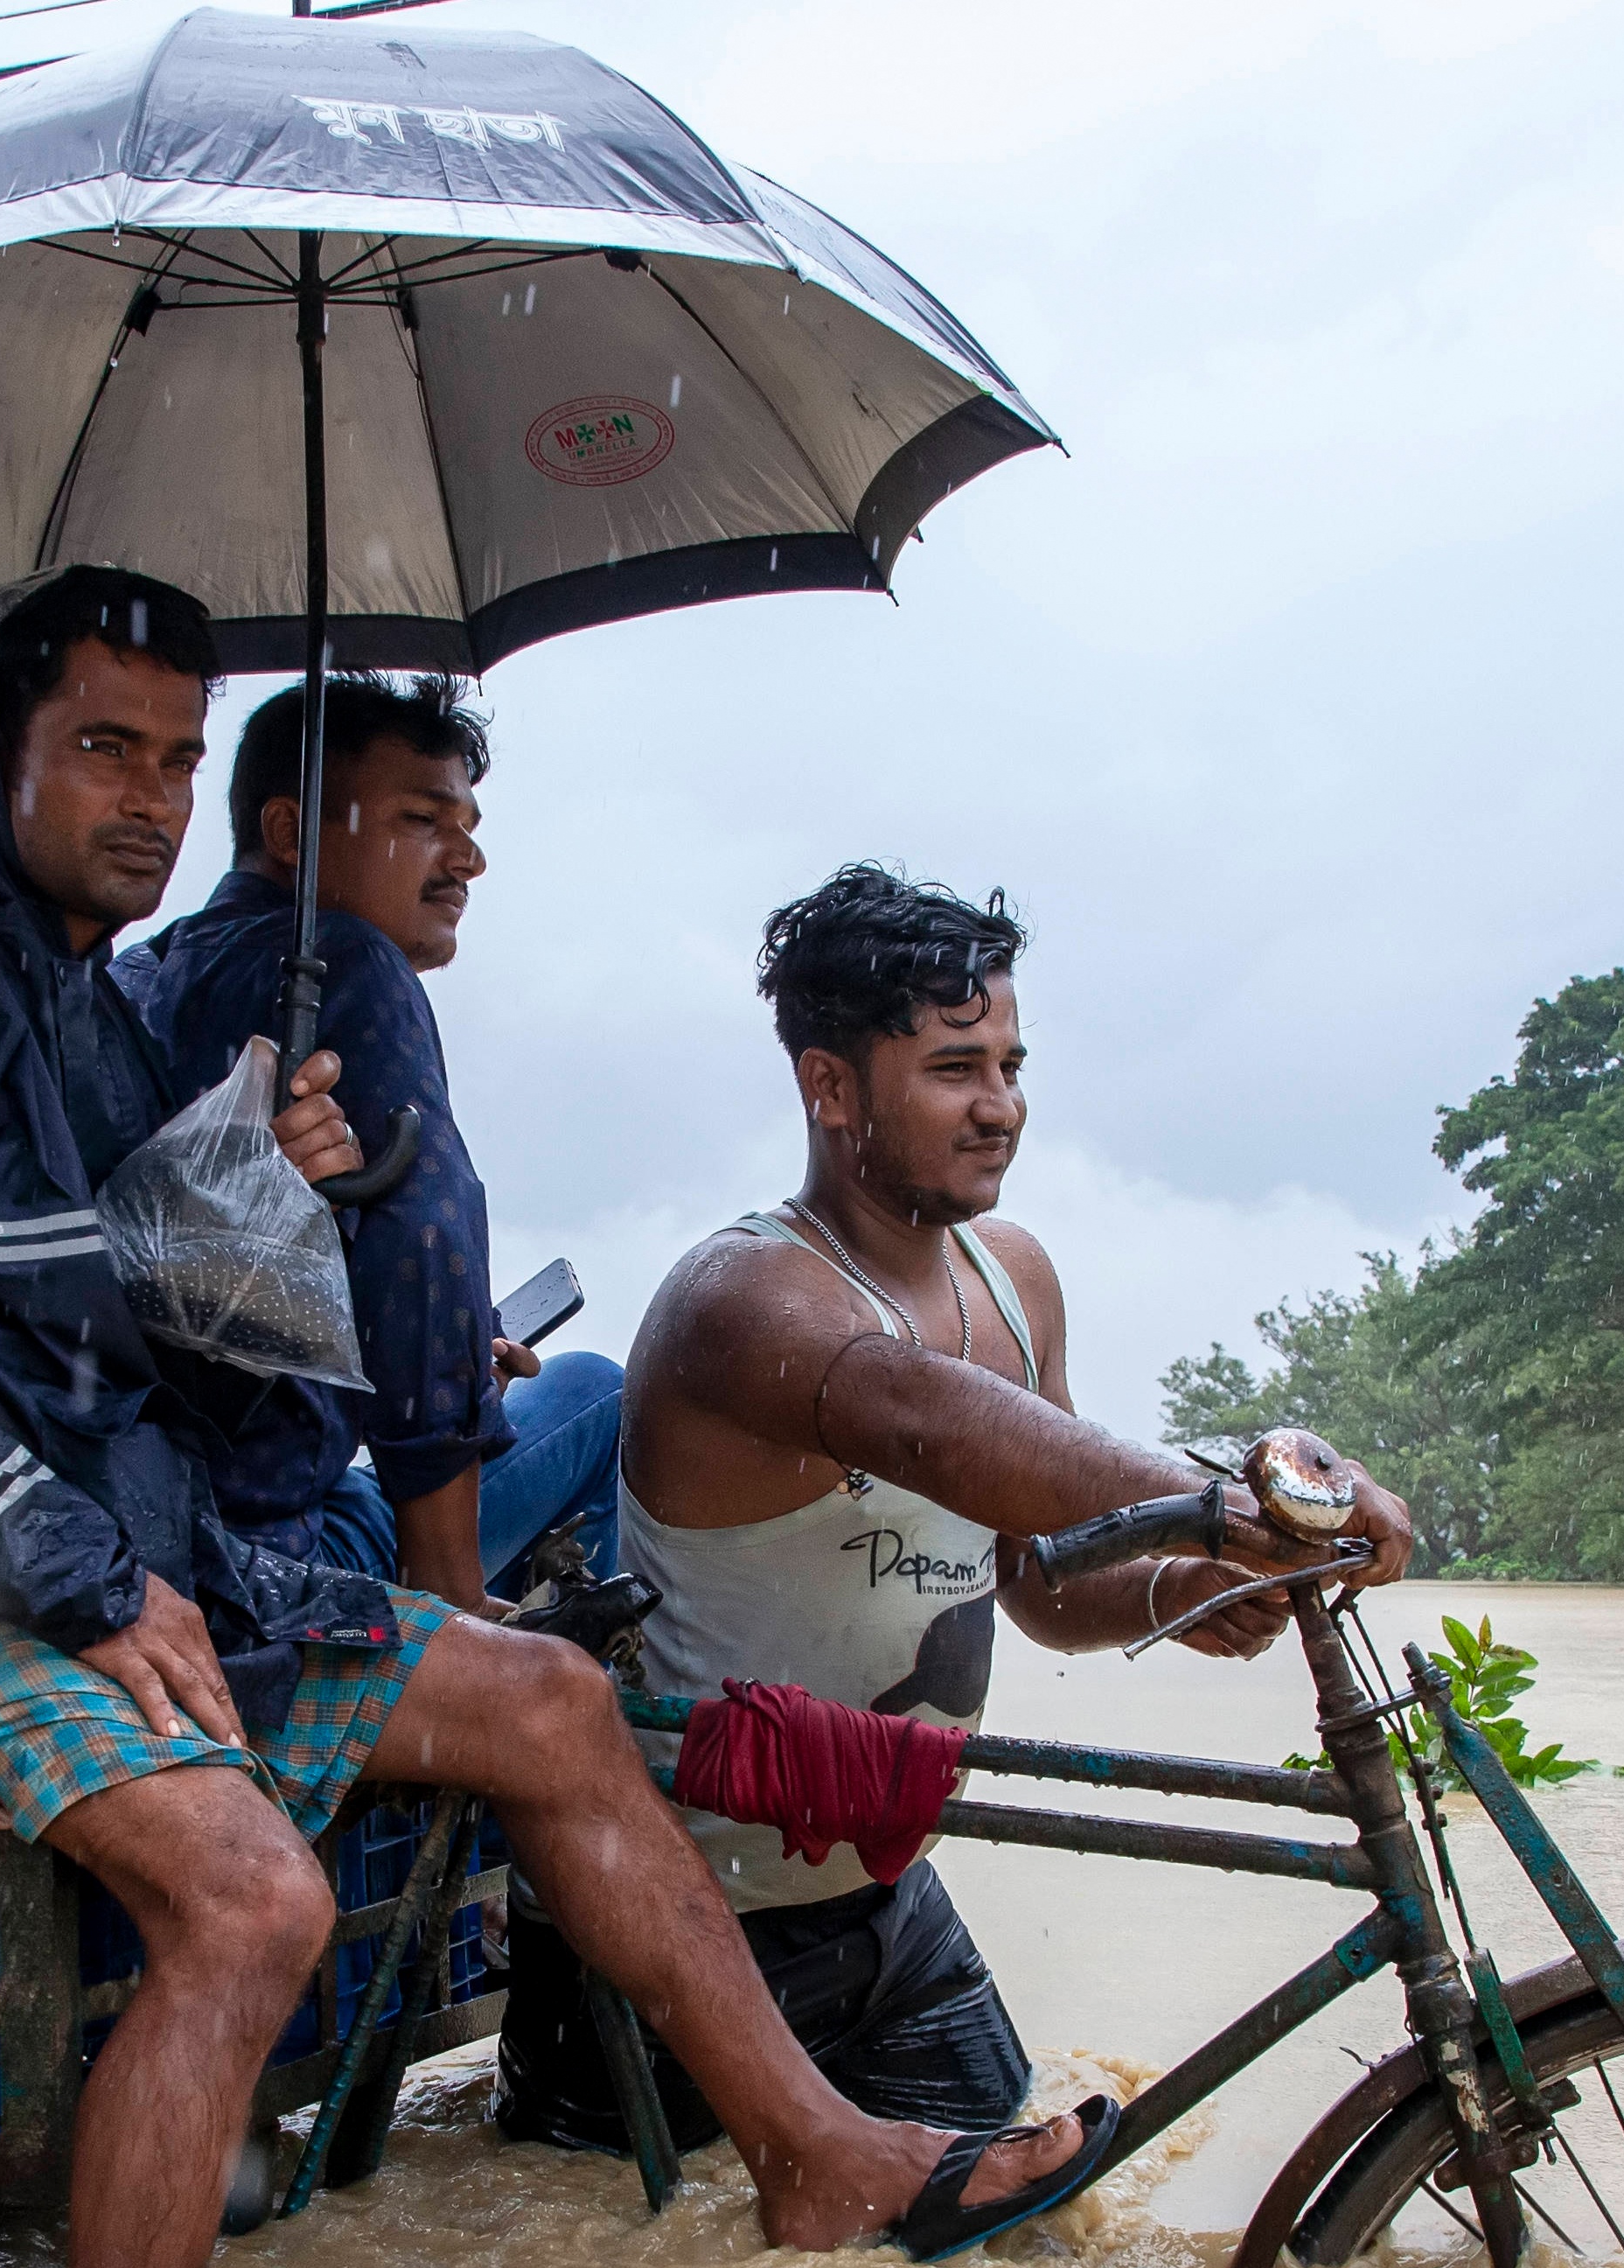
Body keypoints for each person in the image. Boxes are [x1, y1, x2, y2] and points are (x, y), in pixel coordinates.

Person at [0, 566, 1114, 2268]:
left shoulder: (99, 1008)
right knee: (249, 1899)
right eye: (101, 747)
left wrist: (266, 1190)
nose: (147, 796)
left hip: (139, 1560)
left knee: (549, 1702)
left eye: (176, 756)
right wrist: (82, 1568)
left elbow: (150, 1344)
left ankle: (816, 2154)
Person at [492, 866, 1416, 2158]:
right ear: (830, 1088)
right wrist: (1231, 1499)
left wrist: (1194, 1581)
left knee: (1019, 2248)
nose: (1001, 1111)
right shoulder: (744, 1298)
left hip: (879, 1899)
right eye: (953, 1071)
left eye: (1011, 1067)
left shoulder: (1014, 1276)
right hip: (674, 1929)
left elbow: (1043, 1583)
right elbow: (929, 1425)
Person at [111, 672, 617, 1610]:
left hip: (135, 1516)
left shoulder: (141, 974)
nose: (466, 861)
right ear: (293, 835)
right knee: (593, 1392)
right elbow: (425, 1247)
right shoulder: (348, 965)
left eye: (467, 828)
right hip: (264, 1552)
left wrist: (469, 1335)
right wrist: (456, 1616)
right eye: (425, 820)